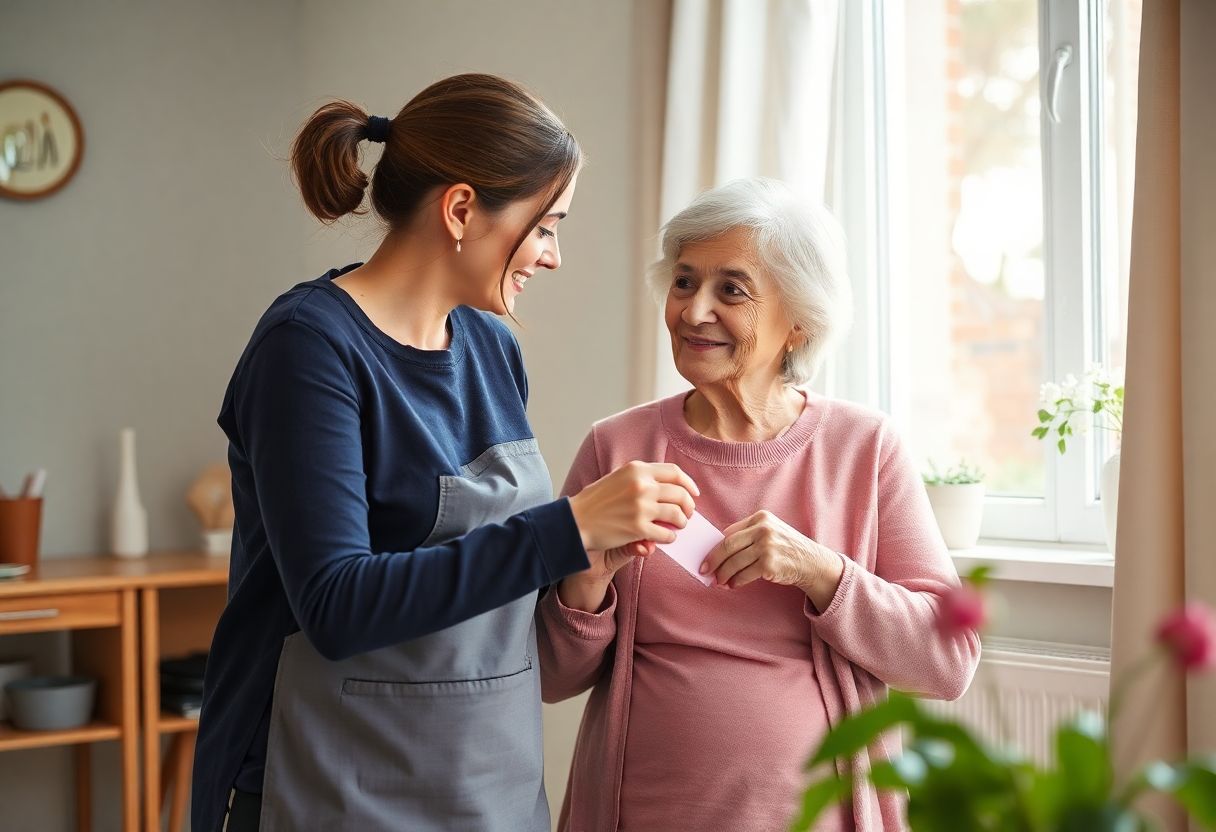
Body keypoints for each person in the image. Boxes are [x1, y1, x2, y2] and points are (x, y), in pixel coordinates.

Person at [191, 73, 698, 832]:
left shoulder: (493, 346)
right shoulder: (309, 348)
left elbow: (493, 580)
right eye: (547, 225)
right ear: (462, 209)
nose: (553, 255)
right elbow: (335, 604)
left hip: (487, 786)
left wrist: (588, 564)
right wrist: (568, 528)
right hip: (327, 784)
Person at [537, 178, 982, 831]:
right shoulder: (617, 447)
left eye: (731, 289)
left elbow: (947, 662)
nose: (693, 312)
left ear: (798, 321)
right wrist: (588, 580)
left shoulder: (865, 448)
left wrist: (819, 572)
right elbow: (548, 675)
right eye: (684, 282)